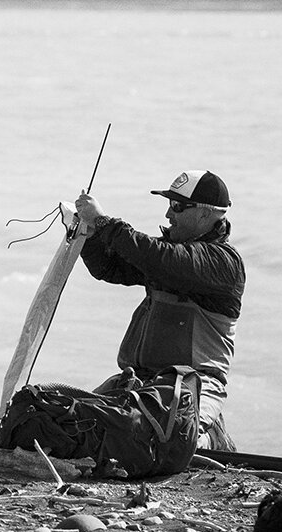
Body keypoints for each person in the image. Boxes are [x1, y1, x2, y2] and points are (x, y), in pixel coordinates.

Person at [74, 169, 243, 451]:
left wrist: (104, 222)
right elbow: (110, 267)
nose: (168, 215)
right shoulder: (170, 254)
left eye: (177, 207)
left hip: (192, 385)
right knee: (74, 419)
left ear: (205, 214)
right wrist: (89, 236)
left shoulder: (222, 263)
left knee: (166, 442)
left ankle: (209, 439)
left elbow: (158, 257)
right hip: (139, 381)